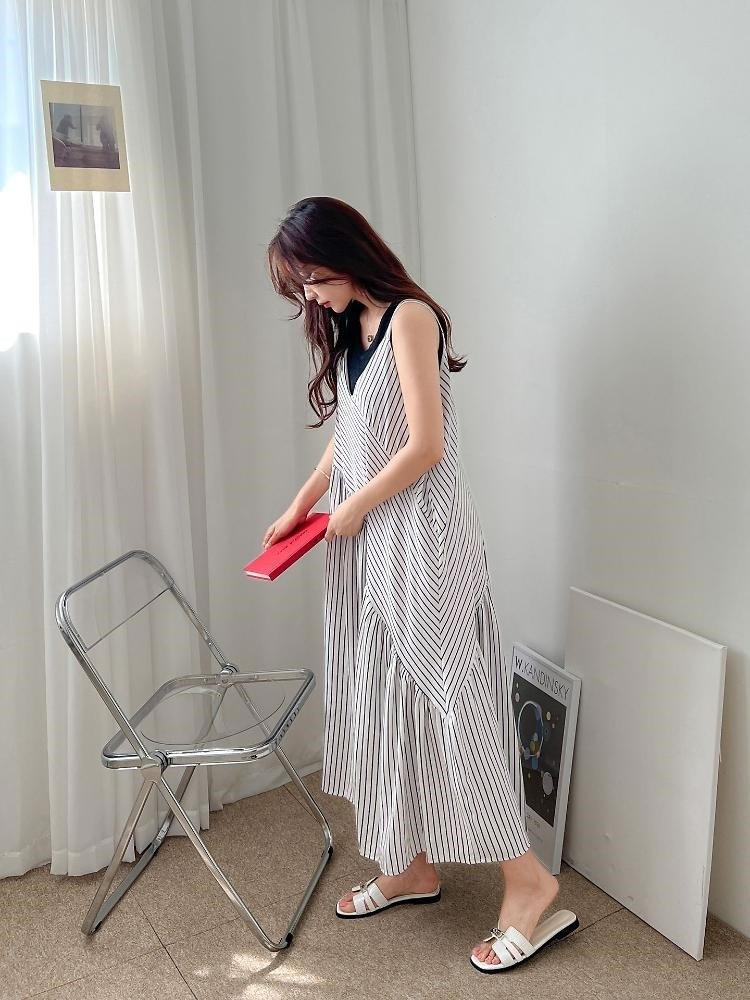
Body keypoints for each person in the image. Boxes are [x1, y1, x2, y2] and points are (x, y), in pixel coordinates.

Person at [263, 196, 577, 971]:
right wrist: (302, 504)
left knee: (454, 704)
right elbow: (353, 435)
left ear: (344, 254)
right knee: (382, 697)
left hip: (423, 542)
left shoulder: (410, 318)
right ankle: (409, 863)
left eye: (312, 279)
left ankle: (530, 883)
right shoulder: (354, 327)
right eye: (302, 287)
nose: (310, 297)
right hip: (370, 542)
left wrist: (354, 508)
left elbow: (427, 445)